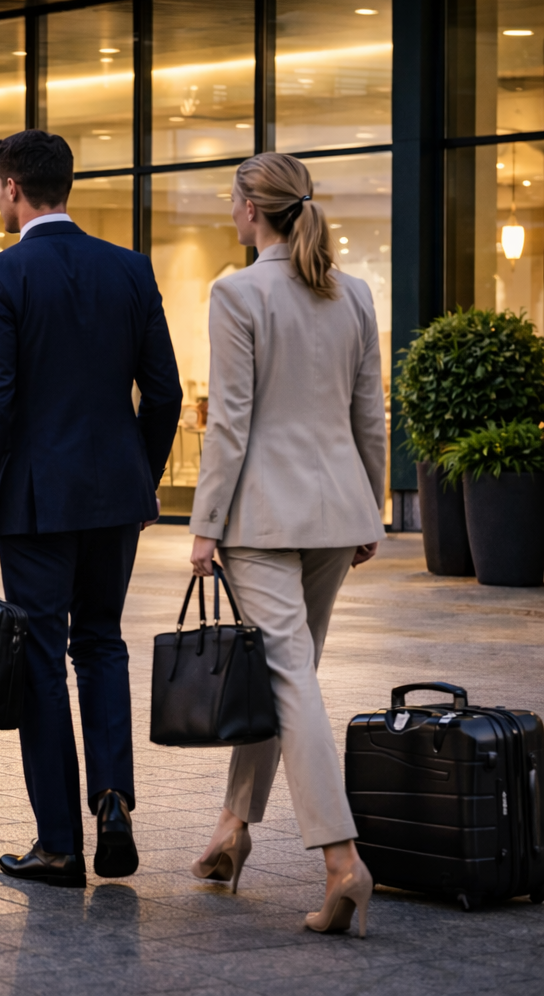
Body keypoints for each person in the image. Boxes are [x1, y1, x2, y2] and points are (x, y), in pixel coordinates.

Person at [0, 129, 182, 888]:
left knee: (43, 660)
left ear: (13, 188)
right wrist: (141, 478)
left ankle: (58, 844)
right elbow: (166, 392)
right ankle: (112, 802)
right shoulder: (130, 269)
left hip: (34, 503)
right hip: (115, 495)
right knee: (103, 644)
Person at [186, 152, 384, 937]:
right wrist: (370, 510)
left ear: (250, 209)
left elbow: (230, 423)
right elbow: (370, 416)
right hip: (336, 514)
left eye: (232, 200)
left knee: (289, 680)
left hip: (263, 520)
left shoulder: (237, 293)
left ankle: (342, 861)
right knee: (287, 675)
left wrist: (204, 526)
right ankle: (232, 829)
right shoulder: (354, 294)